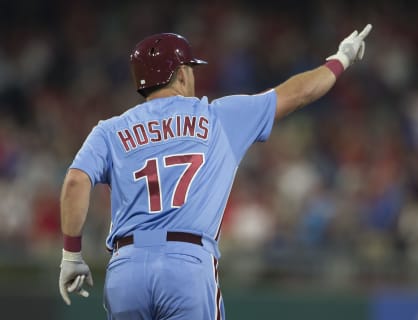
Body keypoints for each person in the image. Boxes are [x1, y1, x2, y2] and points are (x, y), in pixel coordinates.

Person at [58, 25, 372, 319]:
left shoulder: (109, 130)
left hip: (126, 267)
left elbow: (75, 181)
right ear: (181, 74)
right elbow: (298, 93)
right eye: (191, 69)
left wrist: (71, 255)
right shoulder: (218, 116)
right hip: (187, 265)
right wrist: (340, 59)